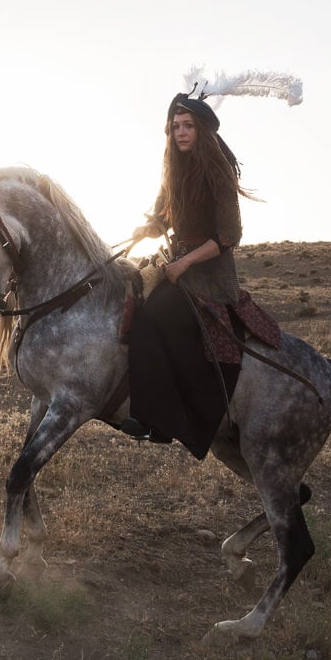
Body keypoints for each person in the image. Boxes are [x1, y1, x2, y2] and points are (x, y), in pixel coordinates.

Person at [122, 91, 279, 460]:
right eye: (175, 126)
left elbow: (228, 236)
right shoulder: (174, 172)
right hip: (179, 263)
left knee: (156, 315)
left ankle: (158, 420)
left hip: (210, 274)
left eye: (188, 125)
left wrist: (185, 263)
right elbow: (164, 218)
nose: (180, 132)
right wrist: (148, 229)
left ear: (203, 130)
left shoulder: (218, 172)